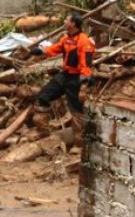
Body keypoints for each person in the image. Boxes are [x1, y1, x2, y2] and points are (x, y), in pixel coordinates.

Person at [30, 12, 96, 142]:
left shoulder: (84, 41)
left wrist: (83, 85)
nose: (64, 21)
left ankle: (79, 143)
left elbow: (85, 64)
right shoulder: (66, 38)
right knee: (43, 96)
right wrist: (41, 51)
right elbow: (55, 48)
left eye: (67, 19)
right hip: (65, 75)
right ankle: (44, 133)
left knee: (76, 110)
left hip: (77, 78)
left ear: (73, 24)